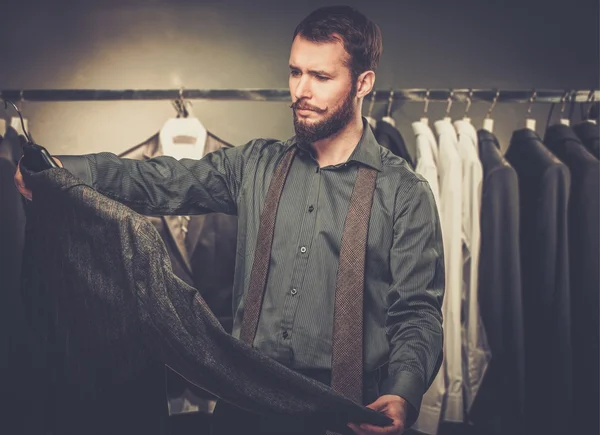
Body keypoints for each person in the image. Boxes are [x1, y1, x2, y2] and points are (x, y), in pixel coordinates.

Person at [15, 6, 444, 435]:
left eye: (321, 76)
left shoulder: (405, 193)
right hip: (246, 408)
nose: (301, 90)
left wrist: (403, 392)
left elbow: (418, 312)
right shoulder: (254, 164)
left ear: (363, 83)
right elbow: (160, 180)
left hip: (346, 413)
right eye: (295, 72)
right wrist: (59, 172)